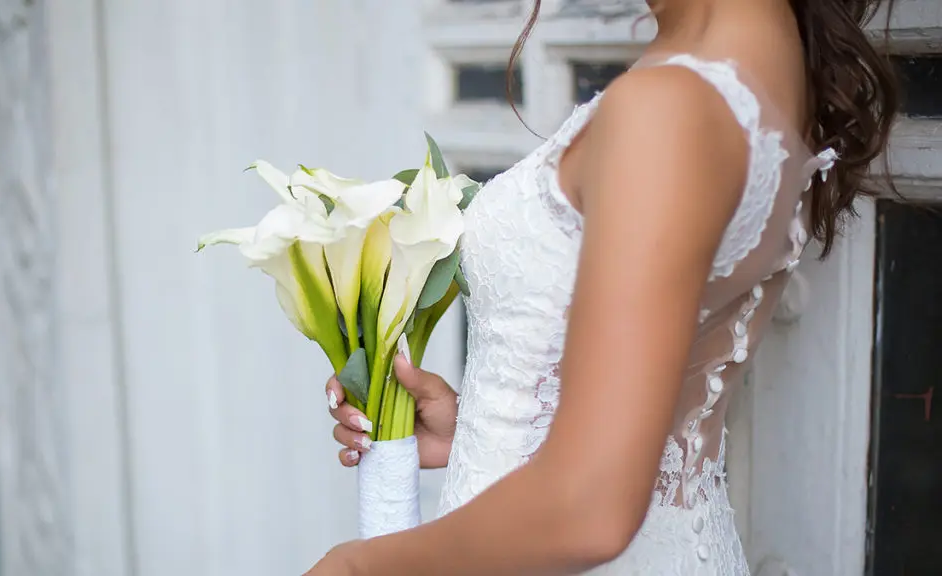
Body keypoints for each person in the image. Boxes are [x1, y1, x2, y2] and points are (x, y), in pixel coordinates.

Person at [309, 0, 897, 573]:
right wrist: (487, 430)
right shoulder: (764, 68)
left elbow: (589, 510)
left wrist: (361, 566)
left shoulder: (669, 106)